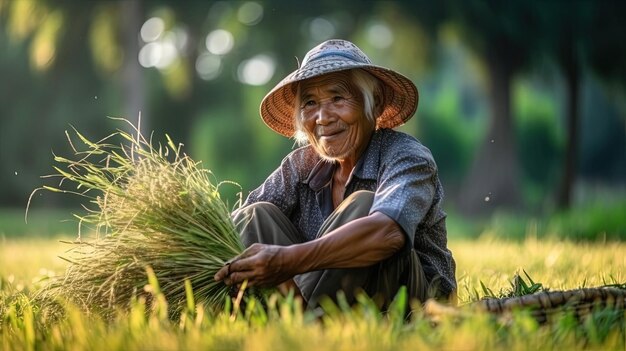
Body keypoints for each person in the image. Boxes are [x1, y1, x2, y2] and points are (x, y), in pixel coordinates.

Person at [214, 39, 456, 309]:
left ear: (374, 104)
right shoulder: (300, 166)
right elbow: (233, 230)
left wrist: (287, 260)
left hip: (409, 303)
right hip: (319, 301)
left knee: (364, 205)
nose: (322, 117)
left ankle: (309, 322)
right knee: (253, 217)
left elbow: (388, 233)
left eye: (338, 98)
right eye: (310, 103)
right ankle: (306, 323)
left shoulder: (406, 155)